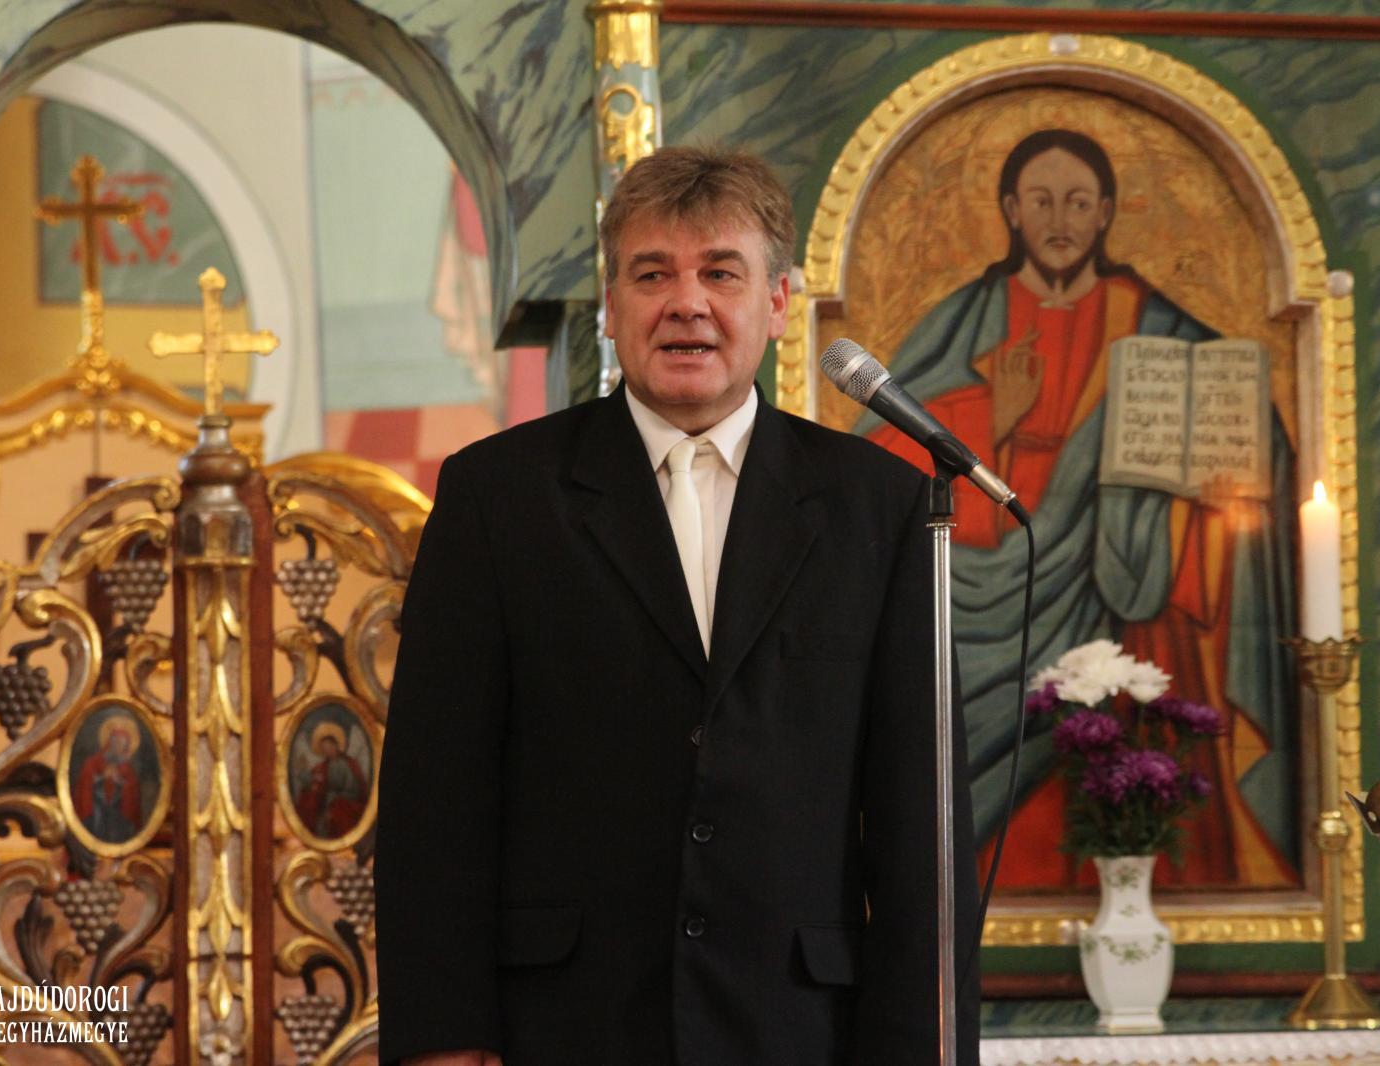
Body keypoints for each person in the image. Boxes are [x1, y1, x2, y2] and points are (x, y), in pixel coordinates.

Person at [376, 145, 979, 1066]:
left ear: (777, 303)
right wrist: (444, 1041)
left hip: (800, 1033)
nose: (686, 303)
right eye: (652, 274)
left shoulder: (881, 506)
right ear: (612, 307)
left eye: (721, 273)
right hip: (564, 1029)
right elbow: (436, 796)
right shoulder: (498, 497)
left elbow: (920, 827)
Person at [860, 128, 1299, 890]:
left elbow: (1243, 417)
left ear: (1105, 213)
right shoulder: (966, 319)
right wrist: (992, 417)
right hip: (983, 584)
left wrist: (1210, 461)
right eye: (1041, 201)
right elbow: (876, 457)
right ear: (1010, 210)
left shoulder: (1154, 322)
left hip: (1118, 587)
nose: (1059, 219)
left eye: (1078, 202)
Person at [74, 715, 143, 844]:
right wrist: (101, 777)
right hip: (96, 815)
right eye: (116, 742)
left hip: (118, 818)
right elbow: (85, 785)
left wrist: (119, 781)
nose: (118, 746)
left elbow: (132, 795)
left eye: (122, 744)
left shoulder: (128, 769)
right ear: (109, 742)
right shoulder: (93, 762)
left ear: (126, 746)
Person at [294, 721, 369, 839]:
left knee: (337, 811)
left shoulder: (348, 764)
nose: (327, 750)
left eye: (329, 746)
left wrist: (334, 797)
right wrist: (306, 776)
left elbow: (354, 791)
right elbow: (313, 782)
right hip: (326, 802)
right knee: (308, 803)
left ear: (336, 745)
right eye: (324, 748)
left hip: (346, 801)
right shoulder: (323, 766)